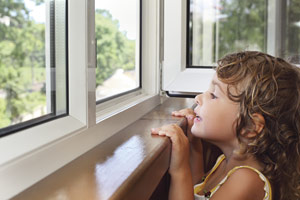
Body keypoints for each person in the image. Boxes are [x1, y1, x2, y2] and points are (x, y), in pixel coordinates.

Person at [151, 51, 300, 200]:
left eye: (214, 95)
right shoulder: (224, 162)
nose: (198, 98)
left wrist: (179, 171)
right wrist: (193, 144)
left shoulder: (246, 180)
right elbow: (198, 189)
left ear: (250, 126)